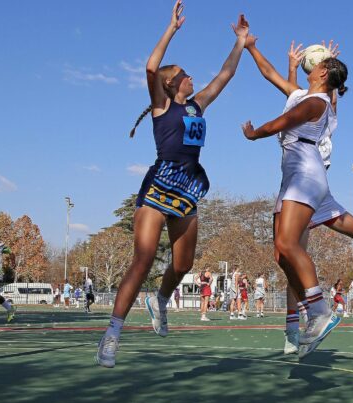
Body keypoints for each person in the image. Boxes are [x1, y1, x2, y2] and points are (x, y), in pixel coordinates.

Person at [96, 1, 250, 368]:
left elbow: (224, 76)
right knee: (143, 258)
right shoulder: (162, 107)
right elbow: (150, 67)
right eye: (184, 73)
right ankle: (112, 334)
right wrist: (171, 29)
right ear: (171, 83)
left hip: (188, 186)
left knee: (182, 265)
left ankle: (160, 301)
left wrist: (240, 42)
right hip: (160, 182)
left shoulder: (197, 106)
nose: (191, 76)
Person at [243, 36, 353, 357]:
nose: (312, 62)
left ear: (323, 75)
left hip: (306, 172)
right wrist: (249, 46)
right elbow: (270, 74)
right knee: (282, 253)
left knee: (289, 245)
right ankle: (310, 313)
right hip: (296, 173)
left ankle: (318, 310)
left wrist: (255, 133)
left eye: (318, 63)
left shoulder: (317, 102)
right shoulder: (305, 95)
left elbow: (282, 121)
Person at [0, 229, 16, 322]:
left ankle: (10, 309)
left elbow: (11, 252)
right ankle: (10, 308)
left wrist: (13, 261)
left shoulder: (0, 245)